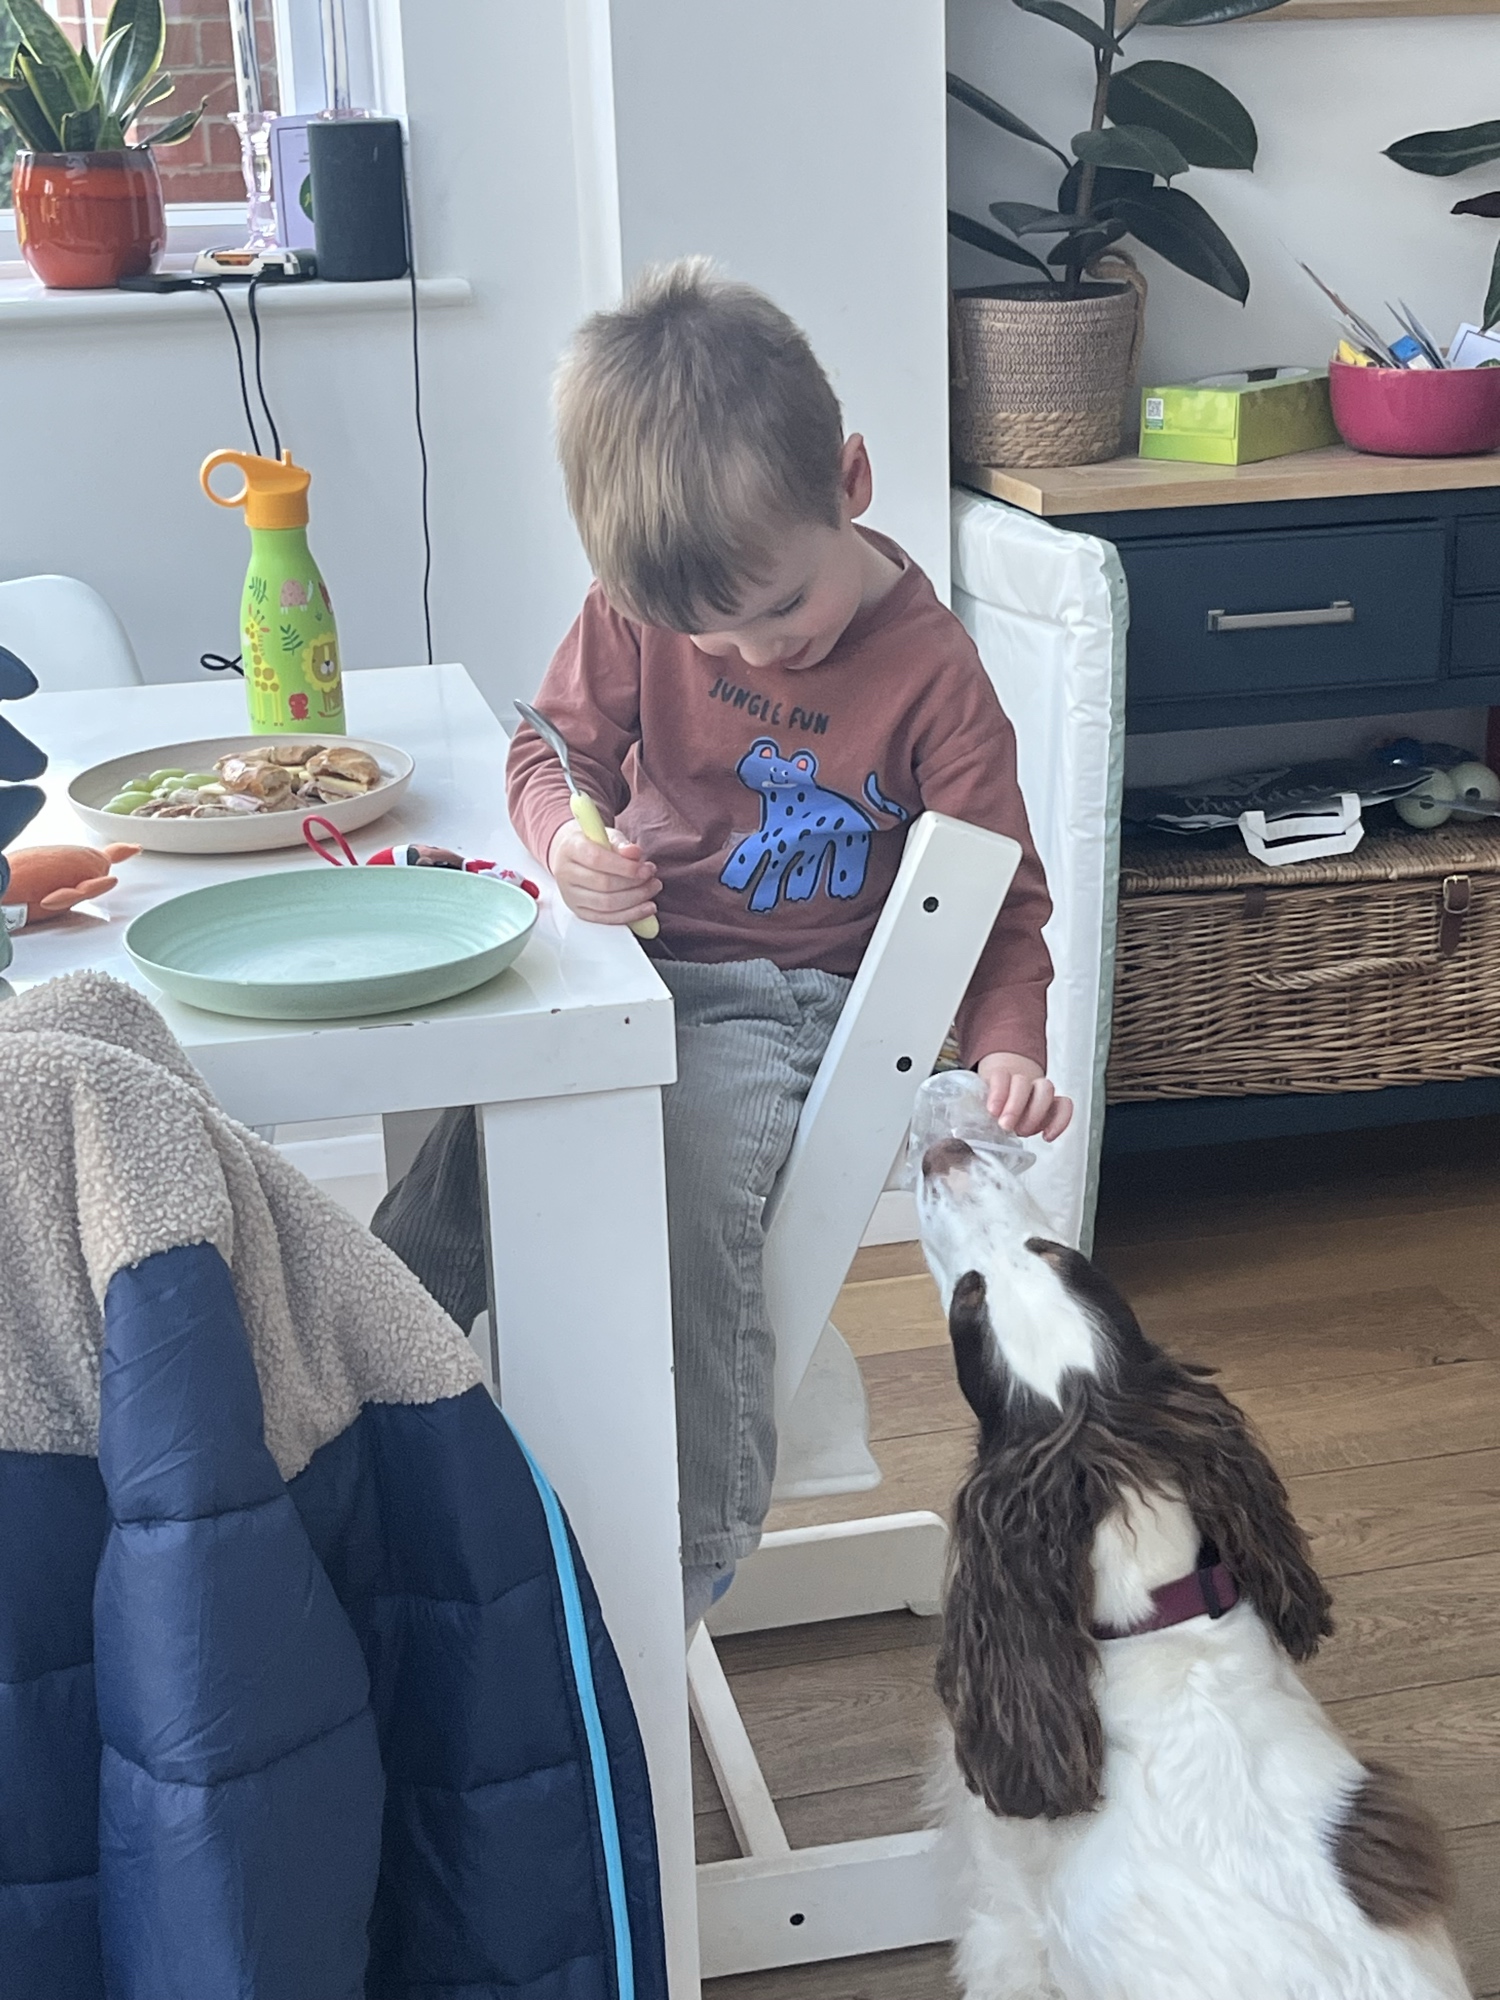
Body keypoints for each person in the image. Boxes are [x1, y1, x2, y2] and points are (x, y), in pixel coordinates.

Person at [373, 258, 1072, 1625]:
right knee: (460, 1181)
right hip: (621, 960)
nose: (753, 655)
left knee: (696, 1211)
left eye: (782, 610)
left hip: (784, 999)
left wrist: (1009, 1048)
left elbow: (999, 898)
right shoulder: (645, 604)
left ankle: (686, 1552)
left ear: (851, 479)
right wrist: (566, 840)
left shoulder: (935, 678)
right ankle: (355, 1444)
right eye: (711, 635)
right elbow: (553, 749)